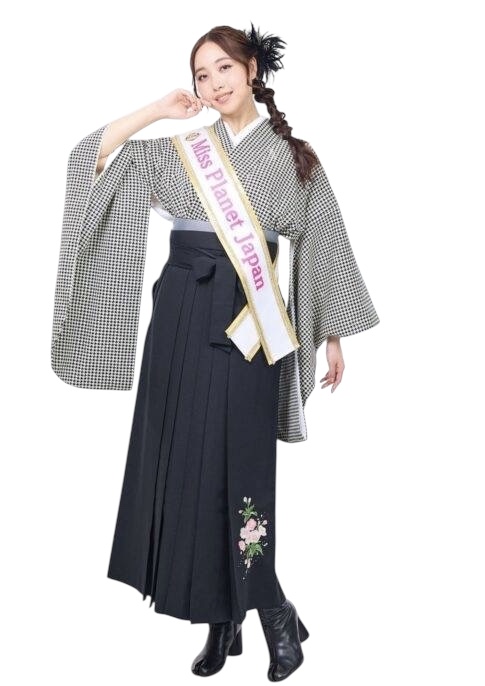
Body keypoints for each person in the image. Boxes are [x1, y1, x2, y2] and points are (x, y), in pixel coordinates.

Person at [51, 23, 379, 682]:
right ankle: (220, 618)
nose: (214, 83)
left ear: (252, 68)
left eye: (224, 67)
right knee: (187, 466)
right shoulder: (182, 151)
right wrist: (156, 109)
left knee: (241, 471)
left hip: (249, 326)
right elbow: (89, 161)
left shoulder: (293, 158)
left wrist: (331, 334)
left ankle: (274, 612)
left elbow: (323, 243)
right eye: (202, 75)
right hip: (178, 318)